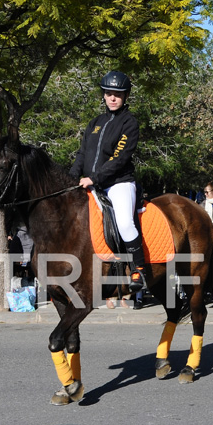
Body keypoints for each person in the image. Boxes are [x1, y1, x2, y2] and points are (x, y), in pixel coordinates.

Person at [70, 70, 145, 293]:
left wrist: (94, 178)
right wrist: (71, 178)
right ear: (103, 95)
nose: (112, 98)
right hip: (91, 184)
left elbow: (119, 158)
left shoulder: (129, 123)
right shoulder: (95, 122)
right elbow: (82, 154)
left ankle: (137, 267)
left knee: (124, 222)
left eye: (117, 94)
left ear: (126, 96)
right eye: (109, 93)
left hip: (118, 183)